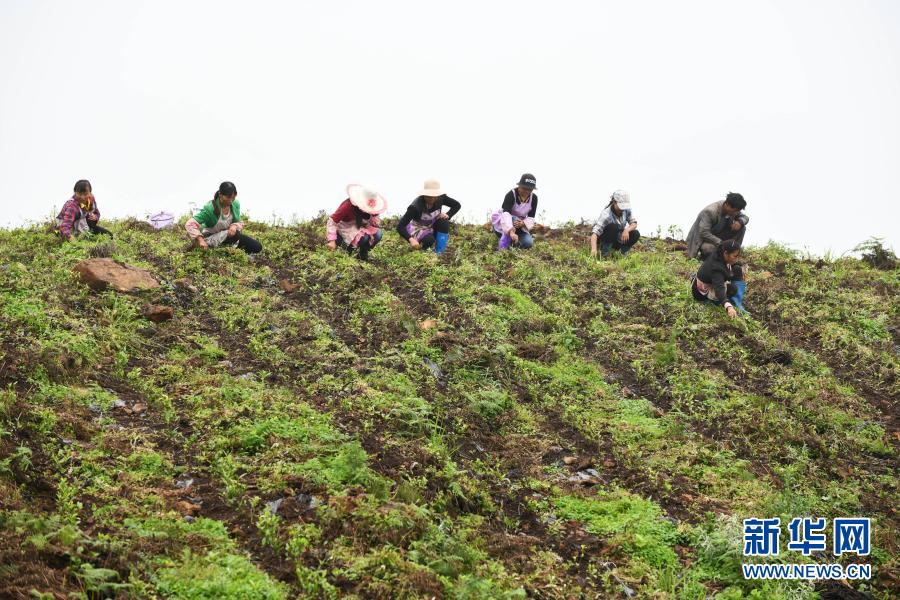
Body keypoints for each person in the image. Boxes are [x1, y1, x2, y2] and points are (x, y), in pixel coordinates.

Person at [185, 181, 262, 254]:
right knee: (236, 235)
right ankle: (223, 250)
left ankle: (234, 251)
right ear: (220, 194)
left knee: (257, 247)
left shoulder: (235, 204)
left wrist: (234, 225)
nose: (231, 201)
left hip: (229, 236)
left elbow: (239, 222)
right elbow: (190, 224)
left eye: (233, 198)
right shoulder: (210, 208)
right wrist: (200, 240)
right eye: (228, 197)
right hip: (211, 237)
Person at [395, 180, 461, 255]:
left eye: (434, 197)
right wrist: (411, 239)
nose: (432, 200)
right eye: (429, 197)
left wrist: (448, 214)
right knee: (429, 240)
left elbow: (457, 205)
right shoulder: (415, 207)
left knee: (444, 222)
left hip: (433, 224)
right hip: (418, 227)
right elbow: (400, 226)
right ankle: (422, 251)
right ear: (424, 195)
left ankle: (440, 252)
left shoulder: (441, 198)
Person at [326, 185, 387, 261]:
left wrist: (374, 217)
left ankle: (362, 255)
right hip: (346, 227)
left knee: (378, 234)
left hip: (361, 225)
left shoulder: (372, 208)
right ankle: (347, 250)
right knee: (364, 238)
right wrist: (332, 241)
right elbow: (333, 221)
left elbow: (373, 223)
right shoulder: (348, 205)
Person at [691, 239, 746, 318]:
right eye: (734, 256)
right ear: (726, 253)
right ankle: (717, 302)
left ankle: (737, 303)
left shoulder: (719, 253)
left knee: (737, 268)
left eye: (737, 256)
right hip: (700, 293)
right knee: (733, 289)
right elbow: (719, 288)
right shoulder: (717, 269)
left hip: (711, 282)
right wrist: (728, 306)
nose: (736, 258)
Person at [685, 192, 749, 260]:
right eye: (735, 211)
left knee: (742, 227)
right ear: (727, 205)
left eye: (737, 211)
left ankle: (734, 251)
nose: (736, 213)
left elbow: (745, 217)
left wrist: (740, 222)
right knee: (708, 249)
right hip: (707, 240)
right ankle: (707, 258)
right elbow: (704, 233)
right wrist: (721, 243)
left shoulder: (733, 209)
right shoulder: (710, 211)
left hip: (720, 236)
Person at [491, 173, 539, 250]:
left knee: (528, 243)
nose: (526, 191)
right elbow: (506, 214)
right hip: (506, 224)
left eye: (529, 189)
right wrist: (511, 232)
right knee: (514, 219)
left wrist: (523, 223)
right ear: (519, 186)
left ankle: (512, 245)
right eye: (524, 188)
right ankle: (503, 247)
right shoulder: (511, 194)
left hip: (520, 225)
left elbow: (531, 217)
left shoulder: (534, 198)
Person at [590, 190, 640, 258]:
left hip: (619, 239)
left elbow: (634, 223)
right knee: (613, 227)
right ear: (614, 202)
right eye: (620, 207)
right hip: (607, 238)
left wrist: (627, 230)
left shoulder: (626, 210)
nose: (622, 209)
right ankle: (605, 253)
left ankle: (623, 253)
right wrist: (594, 249)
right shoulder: (606, 215)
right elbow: (595, 233)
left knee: (635, 233)